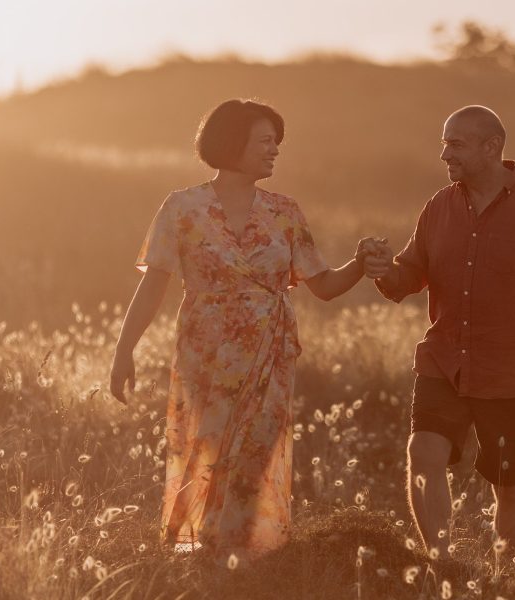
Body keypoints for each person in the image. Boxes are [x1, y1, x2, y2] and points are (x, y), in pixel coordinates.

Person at [109, 99, 373, 562]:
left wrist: (361, 264)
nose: (275, 150)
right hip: (204, 352)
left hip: (269, 352)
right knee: (205, 450)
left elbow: (325, 285)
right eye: (265, 141)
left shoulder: (284, 212)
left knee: (255, 456)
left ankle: (242, 560)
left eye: (277, 142)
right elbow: (154, 283)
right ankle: (200, 553)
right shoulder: (183, 207)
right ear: (232, 143)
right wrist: (123, 349)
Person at [361, 105, 515, 558]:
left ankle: (508, 579)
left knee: (509, 484)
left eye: (456, 144)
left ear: (492, 148)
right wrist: (381, 270)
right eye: (444, 143)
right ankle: (440, 564)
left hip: (514, 373)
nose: (444, 154)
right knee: (423, 455)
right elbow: (410, 274)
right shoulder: (438, 206)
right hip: (444, 362)